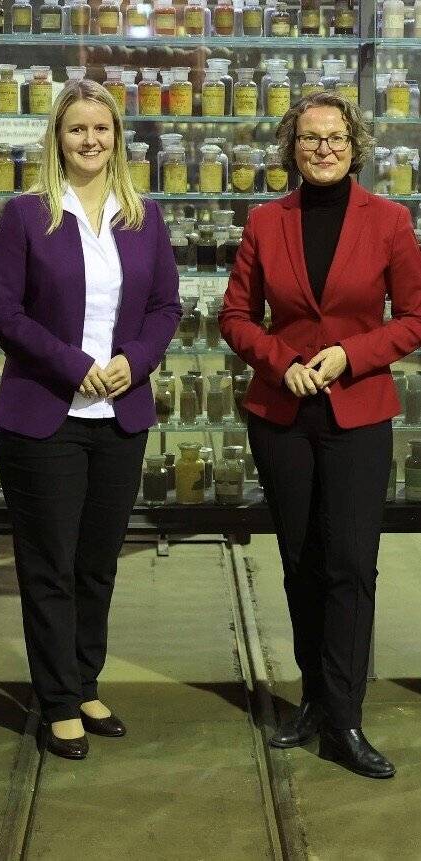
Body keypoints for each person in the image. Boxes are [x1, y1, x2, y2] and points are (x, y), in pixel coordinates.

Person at [219, 92, 421, 779]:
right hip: (282, 415)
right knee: (301, 561)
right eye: (309, 138)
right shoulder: (265, 221)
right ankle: (311, 698)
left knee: (349, 564)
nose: (324, 148)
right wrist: (282, 362)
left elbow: (415, 317)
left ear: (354, 145)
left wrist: (350, 354)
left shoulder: (389, 221)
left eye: (335, 137)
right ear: (291, 148)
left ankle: (345, 717)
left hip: (358, 412)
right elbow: (236, 316)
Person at [0, 79, 180, 760]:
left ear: (117, 136)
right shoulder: (27, 215)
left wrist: (136, 360)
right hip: (46, 414)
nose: (89, 140)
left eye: (101, 129)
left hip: (119, 412)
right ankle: (58, 699)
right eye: (76, 130)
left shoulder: (142, 215)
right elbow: (1, 312)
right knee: (49, 565)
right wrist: (70, 362)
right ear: (56, 139)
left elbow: (164, 308)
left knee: (97, 564)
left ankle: (85, 680)